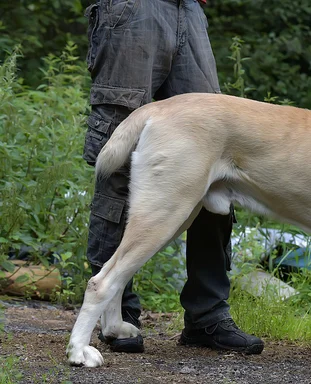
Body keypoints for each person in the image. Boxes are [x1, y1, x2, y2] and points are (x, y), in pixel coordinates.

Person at [82, 0, 264, 355]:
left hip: (190, 9)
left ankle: (207, 315)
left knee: (214, 154)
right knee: (120, 156)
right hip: (132, 9)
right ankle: (113, 310)